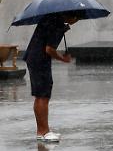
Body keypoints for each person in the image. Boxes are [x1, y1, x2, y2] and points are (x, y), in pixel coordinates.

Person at [23, 13, 78, 142]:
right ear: (72, 17)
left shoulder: (51, 18)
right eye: (76, 19)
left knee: (41, 95)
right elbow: (49, 49)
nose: (75, 22)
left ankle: (43, 130)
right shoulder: (57, 24)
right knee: (43, 95)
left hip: (35, 57)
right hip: (40, 59)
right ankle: (43, 131)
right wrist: (63, 58)